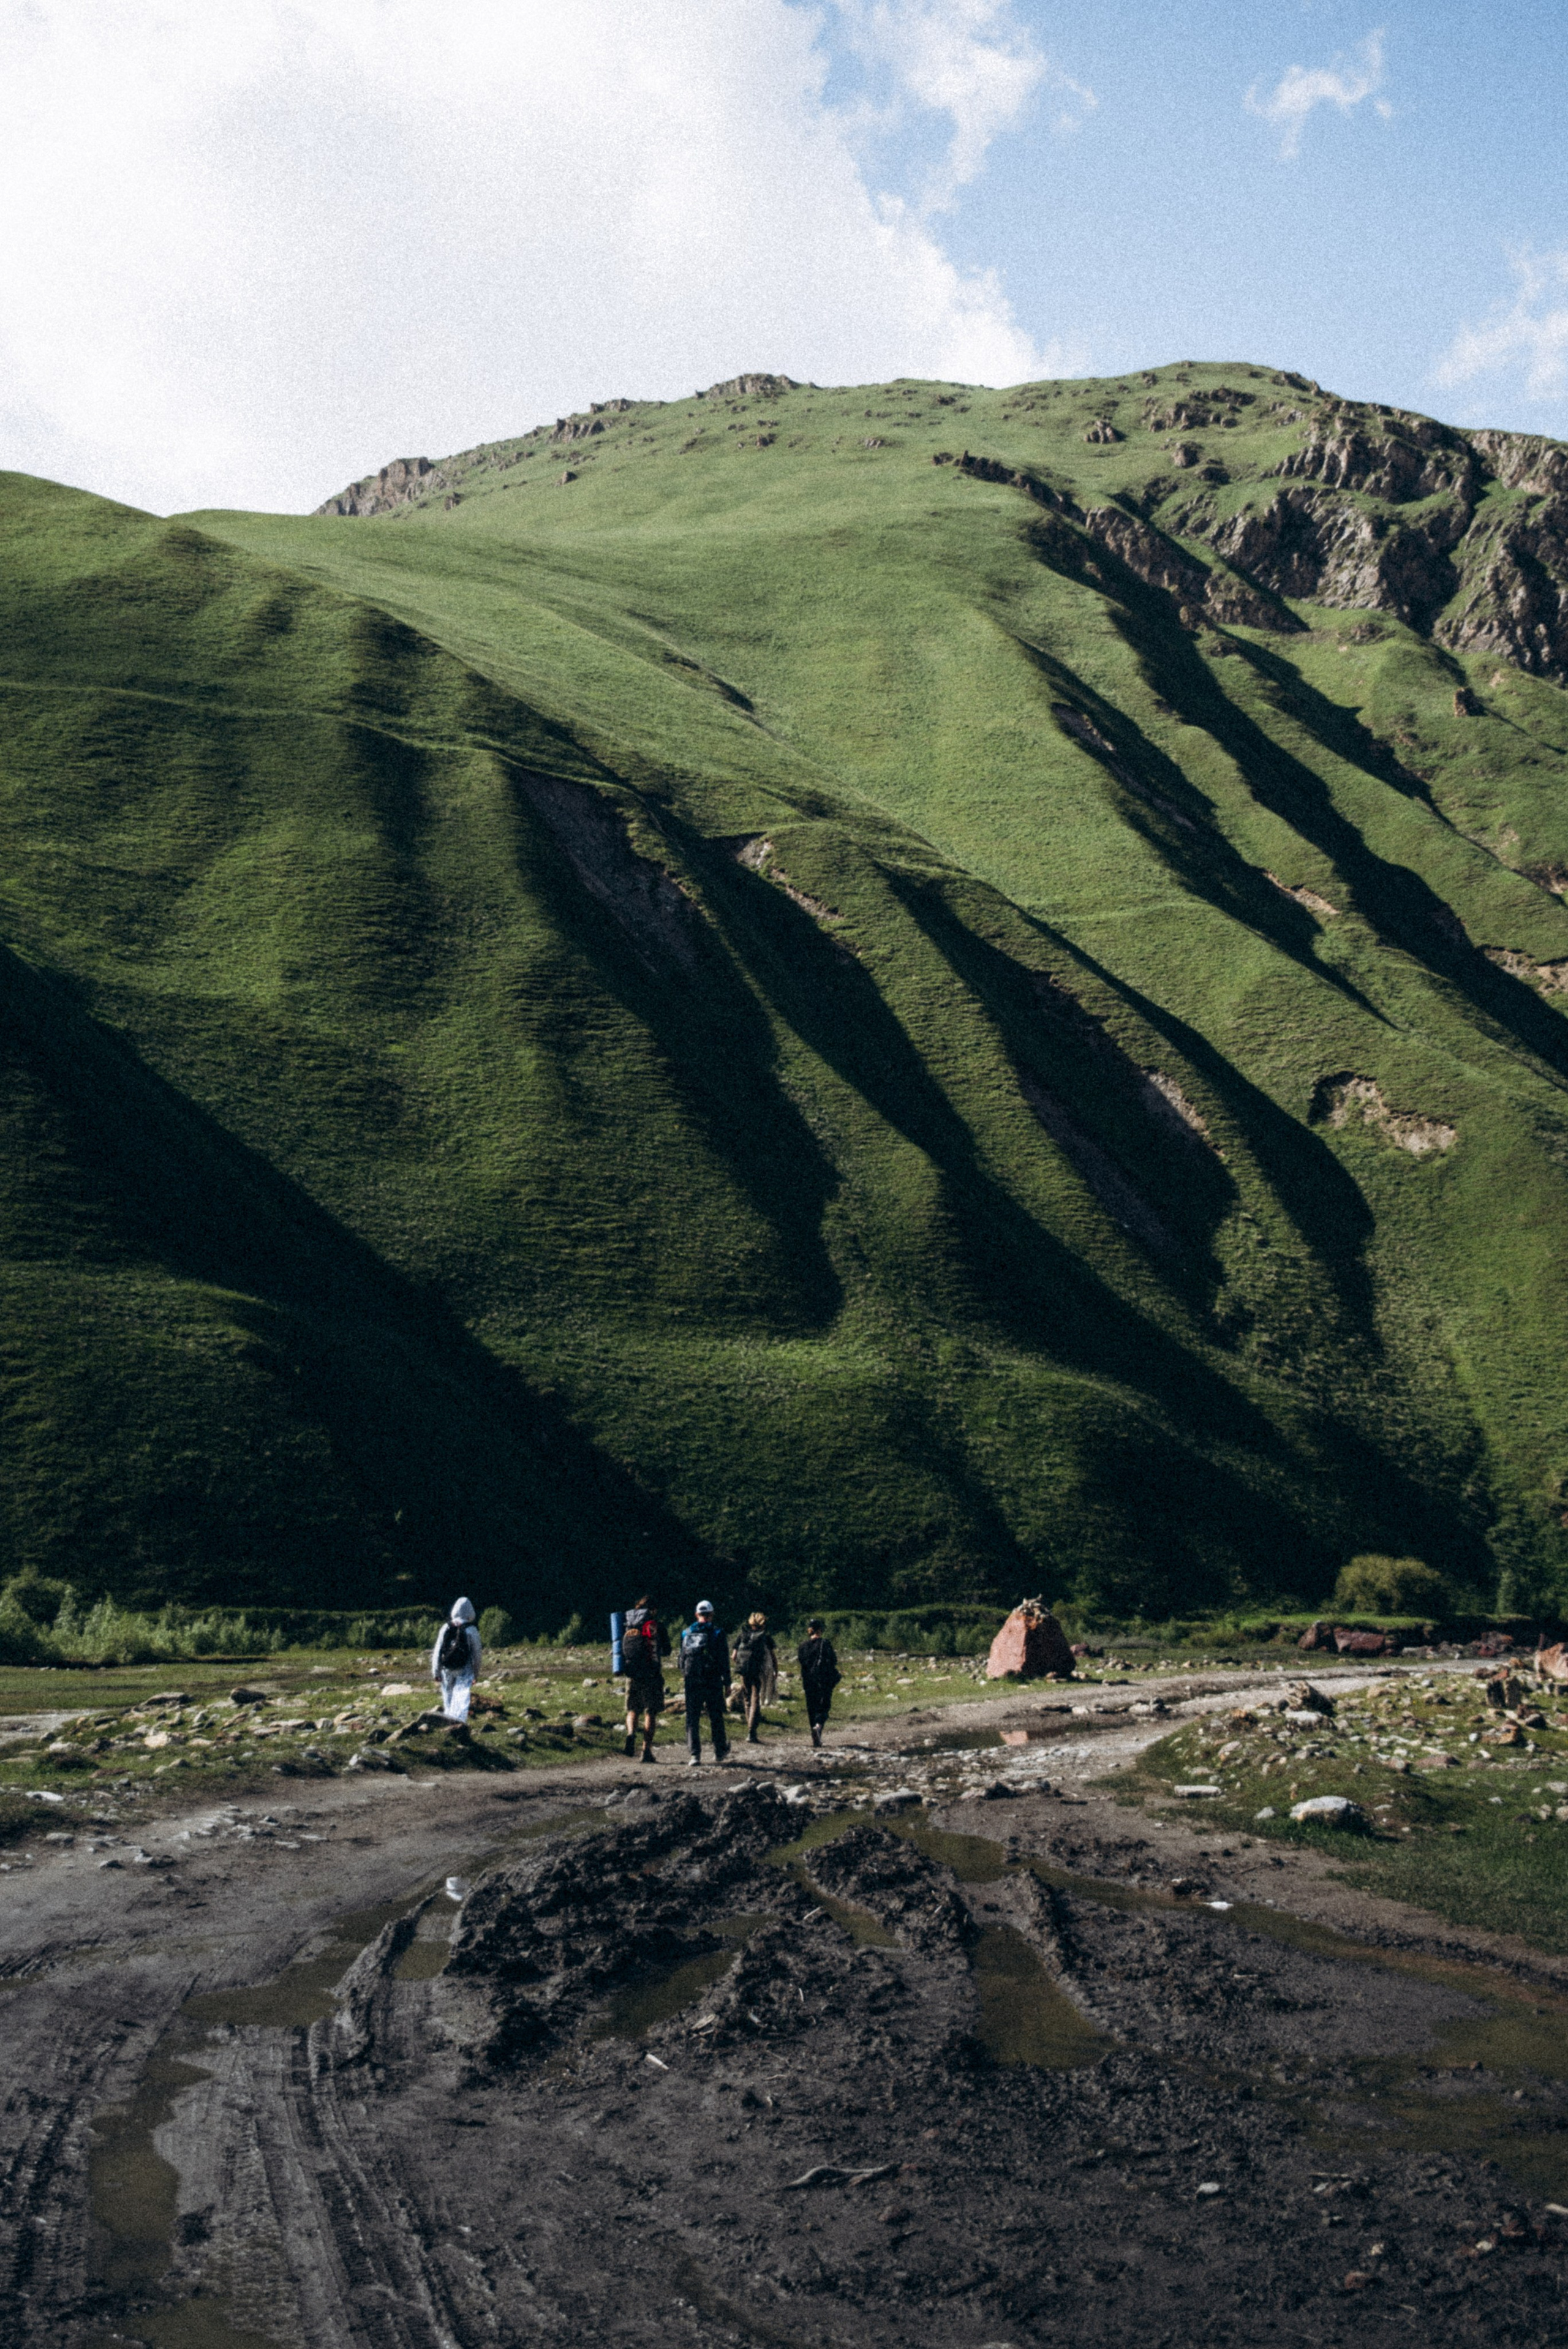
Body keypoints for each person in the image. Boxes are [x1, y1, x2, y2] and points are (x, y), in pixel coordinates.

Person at [679, 1599, 731, 1766]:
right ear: (712, 1614)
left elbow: (682, 1658)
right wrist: (727, 1682)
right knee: (716, 1716)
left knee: (692, 1718)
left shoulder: (686, 1633)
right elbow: (724, 1660)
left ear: (696, 1615)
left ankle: (695, 1755)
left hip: (692, 1680)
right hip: (712, 1680)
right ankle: (720, 1752)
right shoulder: (718, 1633)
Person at [620, 1595, 671, 1762]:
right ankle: (646, 1751)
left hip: (632, 1673)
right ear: (653, 1610)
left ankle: (630, 1734)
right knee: (650, 1712)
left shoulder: (627, 1623)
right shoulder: (656, 1625)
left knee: (633, 1709)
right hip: (652, 1674)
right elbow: (667, 1650)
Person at [431, 1597, 481, 1722]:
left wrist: (435, 1672)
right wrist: (476, 1674)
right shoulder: (472, 1630)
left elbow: (438, 1650)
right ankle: (459, 1724)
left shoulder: (446, 1627)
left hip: (446, 1668)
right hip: (465, 1668)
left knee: (448, 1697)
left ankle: (448, 1723)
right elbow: (477, 1655)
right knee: (461, 1698)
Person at [731, 1612, 778, 1744]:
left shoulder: (742, 1635)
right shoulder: (765, 1637)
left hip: (743, 1670)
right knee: (756, 1698)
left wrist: (741, 1665)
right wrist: (775, 1671)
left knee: (747, 1699)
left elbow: (734, 1656)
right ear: (763, 1624)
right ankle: (752, 1732)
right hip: (757, 1670)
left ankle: (749, 1730)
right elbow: (773, 1657)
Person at [796, 1618, 840, 1749]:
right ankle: (818, 1728)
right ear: (820, 1630)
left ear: (809, 1631)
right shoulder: (825, 1643)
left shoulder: (802, 1646)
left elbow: (802, 1663)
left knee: (812, 1708)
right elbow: (834, 1660)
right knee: (824, 1706)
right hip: (823, 1680)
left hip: (808, 1681)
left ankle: (815, 1738)